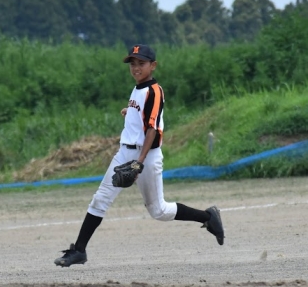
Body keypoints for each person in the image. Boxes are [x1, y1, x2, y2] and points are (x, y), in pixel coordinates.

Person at [54, 44, 224, 268]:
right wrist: (130, 113)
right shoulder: (138, 89)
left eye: (141, 63)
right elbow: (143, 116)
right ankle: (79, 250)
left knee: (158, 211)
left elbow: (152, 129)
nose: (136, 67)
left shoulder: (154, 91)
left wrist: (138, 163)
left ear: (153, 66)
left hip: (146, 156)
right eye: (133, 63)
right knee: (100, 199)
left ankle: (208, 217)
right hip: (125, 151)